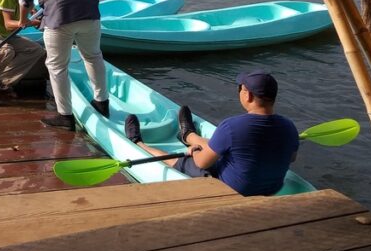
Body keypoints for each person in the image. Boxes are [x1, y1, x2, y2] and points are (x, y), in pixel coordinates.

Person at [124, 70, 299, 196]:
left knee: (179, 158)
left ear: (248, 95)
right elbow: (291, 158)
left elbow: (201, 163)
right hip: (272, 188)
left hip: (234, 189)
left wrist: (196, 152)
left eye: (240, 89)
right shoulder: (290, 127)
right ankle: (188, 135)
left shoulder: (231, 126)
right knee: (224, 146)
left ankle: (137, 142)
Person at [19, 0, 108, 131]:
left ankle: (65, 117)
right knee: (93, 56)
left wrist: (23, 20)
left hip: (58, 18)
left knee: (57, 66)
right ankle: (102, 103)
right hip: (90, 13)